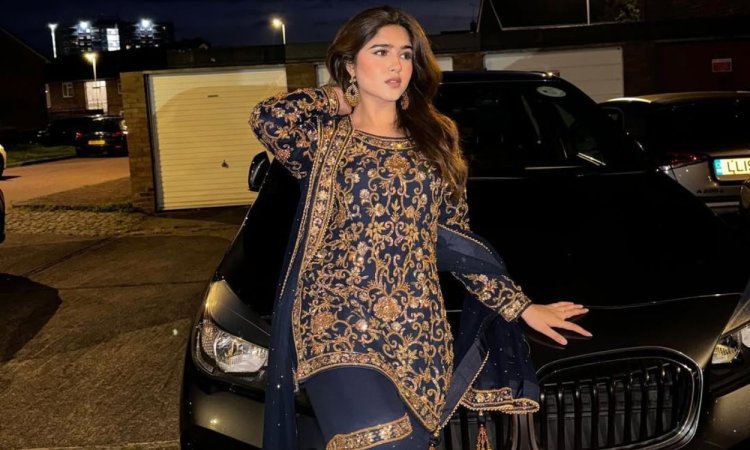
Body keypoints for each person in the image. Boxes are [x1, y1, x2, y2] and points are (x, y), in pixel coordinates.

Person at [249, 6, 592, 449]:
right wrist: (335, 97)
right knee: (381, 440)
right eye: (381, 51)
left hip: (417, 328)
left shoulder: (436, 137)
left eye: (406, 54)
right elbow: (268, 117)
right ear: (350, 64)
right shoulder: (323, 139)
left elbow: (456, 239)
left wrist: (520, 306)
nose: (397, 65)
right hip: (336, 322)